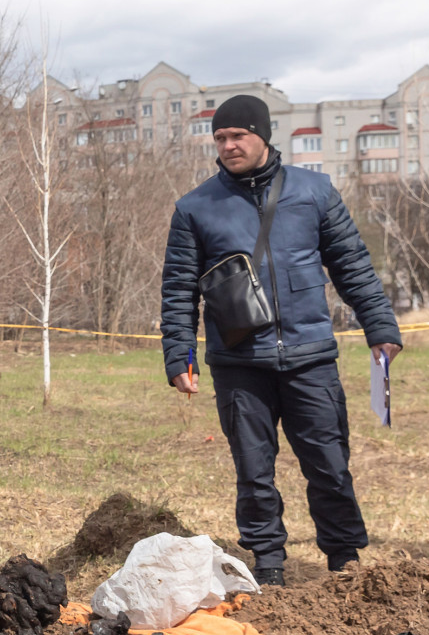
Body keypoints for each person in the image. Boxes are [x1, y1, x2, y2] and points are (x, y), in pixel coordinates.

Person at [161, 94, 402, 587]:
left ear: (263, 136)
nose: (228, 146)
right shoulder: (195, 207)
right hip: (238, 360)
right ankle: (268, 562)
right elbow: (179, 287)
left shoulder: (315, 192)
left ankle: (343, 561)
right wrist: (180, 355)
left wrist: (380, 328)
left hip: (310, 355)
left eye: (238, 136)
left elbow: (352, 265)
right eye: (221, 138)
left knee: (330, 464)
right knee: (254, 470)